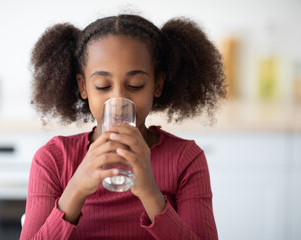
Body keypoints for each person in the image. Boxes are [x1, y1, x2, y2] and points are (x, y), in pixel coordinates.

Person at [20, 14, 226, 240]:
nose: (118, 99)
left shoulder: (185, 159)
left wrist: (149, 192)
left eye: (135, 85)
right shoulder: (53, 159)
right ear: (83, 86)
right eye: (103, 86)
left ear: (157, 85)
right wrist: (76, 187)